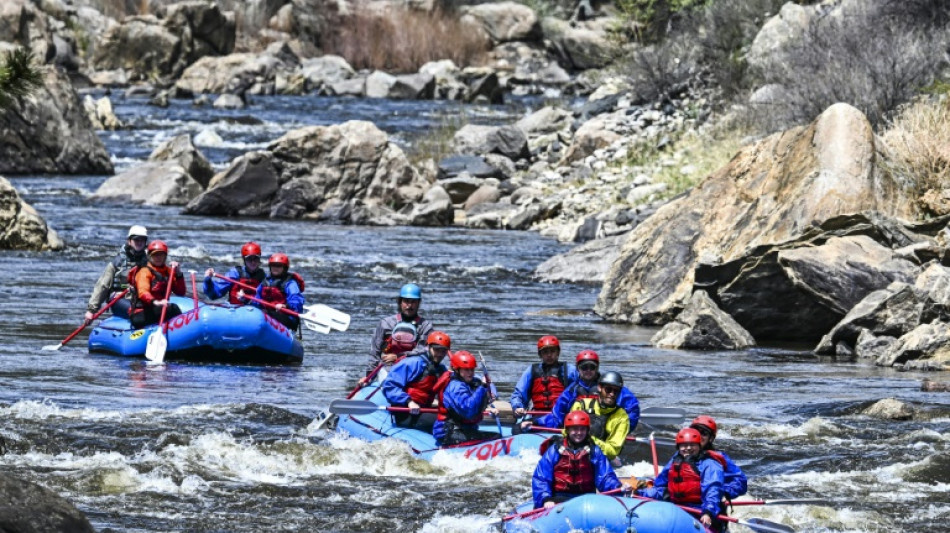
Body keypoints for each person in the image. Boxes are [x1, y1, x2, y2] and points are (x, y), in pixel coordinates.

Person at [531, 411, 625, 509]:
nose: (579, 433)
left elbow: (605, 477)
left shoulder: (594, 451)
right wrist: (545, 498)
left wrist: (617, 487)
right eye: (575, 429)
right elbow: (541, 477)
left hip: (586, 500)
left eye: (582, 429)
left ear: (587, 430)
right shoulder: (554, 450)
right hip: (558, 499)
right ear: (567, 430)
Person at [637, 428, 726, 531]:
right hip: (676, 509)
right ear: (678, 447)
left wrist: (708, 512)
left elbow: (713, 490)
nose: (688, 448)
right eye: (684, 445)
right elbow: (661, 488)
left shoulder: (710, 464)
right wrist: (639, 493)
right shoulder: (675, 462)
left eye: (692, 445)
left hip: (699, 510)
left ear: (699, 446)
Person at [531, 350, 641, 431]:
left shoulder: (611, 387)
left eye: (592, 367)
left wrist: (624, 430)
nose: (588, 370)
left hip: (605, 433)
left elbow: (632, 408)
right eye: (584, 367)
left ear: (597, 368)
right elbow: (557, 417)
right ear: (578, 368)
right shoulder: (571, 391)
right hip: (579, 434)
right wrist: (536, 422)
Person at [360, 283, 434, 385]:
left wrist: (399, 357)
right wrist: (368, 378)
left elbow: (423, 352)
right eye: (406, 301)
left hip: (413, 371)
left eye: (413, 302)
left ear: (418, 303)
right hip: (387, 369)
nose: (409, 305)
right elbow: (375, 353)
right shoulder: (386, 324)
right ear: (400, 302)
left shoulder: (425, 326)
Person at [382, 331, 451, 426]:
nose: (440, 354)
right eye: (437, 350)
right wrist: (409, 402)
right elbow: (389, 387)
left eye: (443, 351)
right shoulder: (412, 363)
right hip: (406, 411)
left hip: (424, 408)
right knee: (446, 422)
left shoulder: (441, 369)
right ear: (429, 347)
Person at [433, 350, 499, 446]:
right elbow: (469, 410)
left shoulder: (472, 380)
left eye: (472, 369)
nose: (470, 373)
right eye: (466, 370)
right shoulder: (455, 387)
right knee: (495, 437)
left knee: (495, 436)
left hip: (466, 428)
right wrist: (483, 387)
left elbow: (488, 388)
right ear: (457, 370)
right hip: (449, 431)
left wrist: (490, 392)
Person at [85, 225, 149, 321]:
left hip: (142, 301)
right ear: (129, 241)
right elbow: (103, 285)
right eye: (136, 240)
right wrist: (91, 311)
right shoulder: (117, 263)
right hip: (120, 300)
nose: (139, 242)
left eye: (142, 240)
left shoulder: (150, 262)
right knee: (140, 314)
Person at [562, 372, 630, 460]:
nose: (612, 394)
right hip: (574, 451)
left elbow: (613, 451)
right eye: (608, 389)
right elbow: (565, 431)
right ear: (599, 388)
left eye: (616, 391)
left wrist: (589, 440)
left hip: (601, 458)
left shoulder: (622, 417)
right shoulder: (581, 405)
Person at [510, 336, 578, 416]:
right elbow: (519, 393)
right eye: (545, 352)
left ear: (558, 352)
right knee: (517, 429)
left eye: (552, 351)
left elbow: (580, 389)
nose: (549, 355)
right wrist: (518, 406)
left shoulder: (570, 370)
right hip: (537, 416)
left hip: (562, 416)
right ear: (540, 354)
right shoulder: (531, 370)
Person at [129, 240, 185, 329]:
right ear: (150, 256)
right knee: (172, 309)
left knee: (173, 308)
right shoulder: (144, 271)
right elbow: (143, 292)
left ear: (165, 256)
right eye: (155, 255)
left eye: (161, 255)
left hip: (159, 309)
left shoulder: (168, 271)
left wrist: (179, 275)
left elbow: (180, 292)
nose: (158, 258)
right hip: (141, 313)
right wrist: (156, 302)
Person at [690, 415, 748, 500]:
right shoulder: (680, 454)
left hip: (709, 504)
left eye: (704, 433)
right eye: (696, 431)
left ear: (711, 439)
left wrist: (723, 492)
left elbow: (741, 481)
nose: (699, 436)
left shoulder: (719, 458)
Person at [252, 253, 304, 331]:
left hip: (286, 317)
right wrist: (244, 298)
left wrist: (285, 306)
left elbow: (297, 301)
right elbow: (256, 300)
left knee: (266, 315)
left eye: (279, 266)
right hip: (268, 314)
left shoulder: (290, 283)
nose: (275, 268)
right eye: (273, 265)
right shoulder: (265, 282)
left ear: (284, 268)